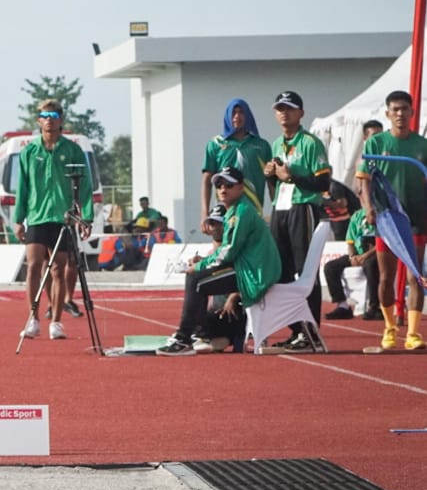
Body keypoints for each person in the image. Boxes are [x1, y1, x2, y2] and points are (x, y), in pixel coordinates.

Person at [157, 169, 282, 355]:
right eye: (219, 185)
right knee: (198, 279)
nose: (223, 189)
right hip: (248, 269)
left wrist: (200, 265)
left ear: (241, 188)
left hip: (253, 274)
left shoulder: (242, 212)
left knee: (195, 279)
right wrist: (205, 262)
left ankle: (186, 338)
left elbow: (229, 250)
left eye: (229, 185)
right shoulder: (236, 210)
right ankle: (197, 335)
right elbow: (228, 250)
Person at [13, 99, 94, 342]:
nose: (49, 119)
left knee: (59, 268)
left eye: (54, 114)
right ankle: (33, 319)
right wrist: (19, 219)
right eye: (44, 115)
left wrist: (85, 216)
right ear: (38, 120)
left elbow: (85, 185)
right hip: (37, 216)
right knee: (34, 265)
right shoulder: (29, 151)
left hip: (63, 217)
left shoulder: (72, 150)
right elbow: (22, 187)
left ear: (61, 119)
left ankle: (56, 321)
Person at [356, 90, 427, 350]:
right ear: (387, 113)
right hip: (387, 218)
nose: (400, 114)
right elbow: (363, 180)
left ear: (411, 112)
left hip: (417, 216)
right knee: (386, 277)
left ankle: (414, 333)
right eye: (395, 109)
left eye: (404, 109)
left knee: (416, 275)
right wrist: (368, 208)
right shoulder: (375, 143)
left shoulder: (422, 145)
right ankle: (389, 327)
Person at [263, 91, 331, 350]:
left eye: (289, 108)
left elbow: (323, 182)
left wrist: (292, 177)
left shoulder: (311, 143)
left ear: (301, 113)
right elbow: (275, 188)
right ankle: (296, 329)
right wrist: (270, 176)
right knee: (280, 272)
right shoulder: (276, 143)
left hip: (303, 209)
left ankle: (310, 332)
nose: (284, 113)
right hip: (280, 209)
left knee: (305, 272)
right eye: (280, 108)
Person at [200, 99, 272, 214]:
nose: (237, 116)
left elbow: (271, 181)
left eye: (241, 112)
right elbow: (207, 179)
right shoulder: (215, 144)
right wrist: (204, 213)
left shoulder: (261, 145)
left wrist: (277, 209)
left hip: (253, 209)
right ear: (227, 116)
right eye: (233, 112)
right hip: (224, 211)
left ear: (248, 115)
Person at [323, 203, 379, 321]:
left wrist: (365, 256)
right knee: (330, 267)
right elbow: (350, 240)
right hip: (358, 253)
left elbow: (382, 242)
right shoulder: (357, 216)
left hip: (375, 253)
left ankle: (375, 306)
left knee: (370, 265)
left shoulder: (381, 214)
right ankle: (342, 305)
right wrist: (353, 256)